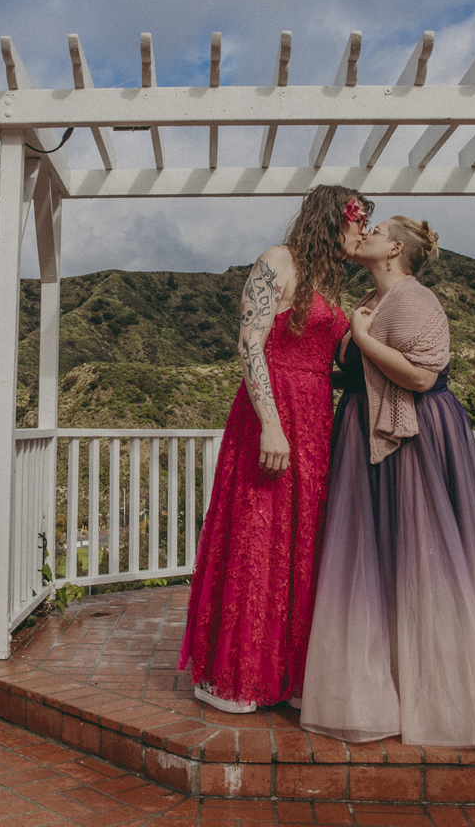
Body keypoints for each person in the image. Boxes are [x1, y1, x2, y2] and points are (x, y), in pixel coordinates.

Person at [299, 216, 475, 747]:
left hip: (415, 437)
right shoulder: (369, 298)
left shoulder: (414, 299)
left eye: (377, 229)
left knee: (422, 556)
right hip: (366, 434)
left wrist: (360, 338)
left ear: (395, 251)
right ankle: (388, 684)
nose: (364, 233)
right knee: (381, 560)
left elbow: (421, 375)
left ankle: (445, 695)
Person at [178, 185, 371, 714]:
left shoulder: (331, 283)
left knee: (303, 542)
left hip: (314, 417)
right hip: (273, 413)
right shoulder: (277, 262)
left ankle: (286, 674)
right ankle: (236, 675)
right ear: (333, 218)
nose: (361, 231)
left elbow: (323, 360)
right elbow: (249, 344)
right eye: (357, 220)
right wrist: (270, 423)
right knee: (257, 533)